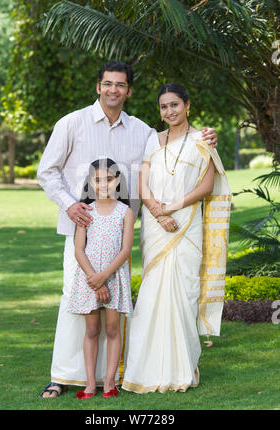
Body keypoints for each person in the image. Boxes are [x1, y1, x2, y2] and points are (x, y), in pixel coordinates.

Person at [37, 61, 218, 398]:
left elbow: (174, 144)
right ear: (98, 87)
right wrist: (69, 204)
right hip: (81, 230)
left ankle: (111, 377)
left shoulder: (142, 131)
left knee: (115, 303)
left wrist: (207, 136)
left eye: (120, 85)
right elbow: (47, 171)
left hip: (121, 235)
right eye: (107, 84)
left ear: (129, 91)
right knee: (76, 301)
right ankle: (62, 375)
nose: (113, 90)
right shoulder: (72, 123)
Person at [122, 83, 231, 394]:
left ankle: (182, 369)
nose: (169, 111)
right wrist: (157, 211)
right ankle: (143, 371)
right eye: (163, 107)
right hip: (157, 226)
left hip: (186, 224)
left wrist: (173, 206)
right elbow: (143, 182)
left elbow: (207, 185)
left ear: (187, 105)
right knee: (152, 293)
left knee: (183, 294)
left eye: (174, 105)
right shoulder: (151, 141)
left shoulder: (202, 140)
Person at [67, 158, 134, 399]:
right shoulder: (85, 211)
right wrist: (95, 280)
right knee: (92, 330)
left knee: (114, 330)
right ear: (90, 183)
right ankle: (89, 383)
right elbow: (78, 249)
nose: (104, 184)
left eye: (109, 179)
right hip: (89, 280)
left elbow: (125, 250)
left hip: (113, 278)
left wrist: (105, 278)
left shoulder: (126, 212)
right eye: (98, 180)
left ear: (118, 181)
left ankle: (109, 382)